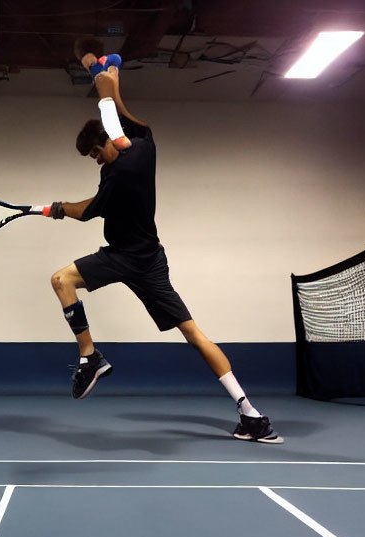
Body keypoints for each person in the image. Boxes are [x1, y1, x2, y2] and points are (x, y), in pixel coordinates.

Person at [44, 41, 283, 444]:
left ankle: (90, 357)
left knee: (60, 280)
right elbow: (118, 109)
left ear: (106, 144)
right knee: (194, 334)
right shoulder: (145, 147)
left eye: (95, 154)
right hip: (152, 260)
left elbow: (85, 210)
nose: (96, 161)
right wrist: (102, 71)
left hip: (123, 257)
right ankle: (251, 413)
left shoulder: (119, 177)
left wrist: (55, 208)